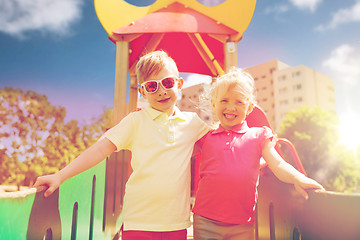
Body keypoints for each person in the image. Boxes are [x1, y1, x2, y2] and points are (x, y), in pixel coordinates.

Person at [33, 51, 209, 240]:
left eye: (167, 83)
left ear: (179, 83)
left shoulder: (192, 123)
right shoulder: (135, 121)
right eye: (152, 86)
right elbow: (101, 149)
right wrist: (60, 176)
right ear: (142, 92)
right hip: (139, 221)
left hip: (175, 222)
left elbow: (219, 143)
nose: (161, 91)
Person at [192, 67, 324, 240]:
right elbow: (176, 152)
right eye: (224, 100)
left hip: (242, 224)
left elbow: (277, 163)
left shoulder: (259, 135)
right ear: (214, 104)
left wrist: (298, 178)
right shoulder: (206, 137)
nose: (231, 107)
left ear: (249, 108)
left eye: (239, 102)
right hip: (205, 220)